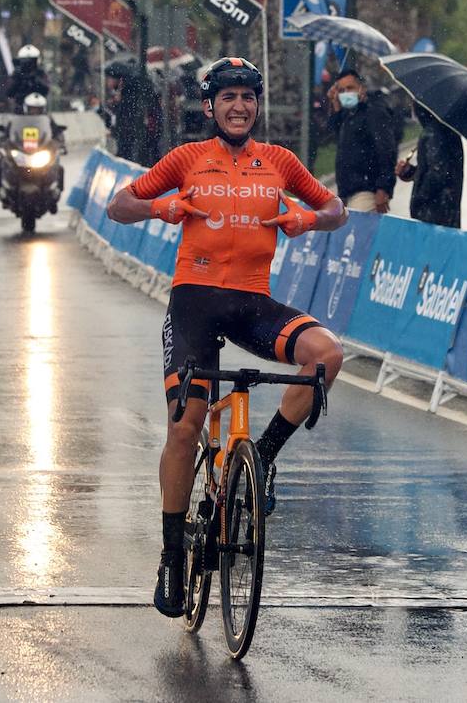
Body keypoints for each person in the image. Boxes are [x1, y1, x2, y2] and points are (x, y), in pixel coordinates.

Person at [105, 56, 347, 618]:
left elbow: (333, 208)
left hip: (252, 305)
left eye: (248, 97)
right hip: (193, 305)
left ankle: (260, 458)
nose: (239, 106)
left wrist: (308, 220)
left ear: (257, 106)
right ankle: (170, 556)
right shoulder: (189, 158)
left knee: (326, 355)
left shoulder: (279, 162)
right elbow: (119, 205)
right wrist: (160, 207)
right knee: (187, 424)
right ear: (210, 106)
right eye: (228, 97)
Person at [326, 68, 400, 213]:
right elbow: (340, 136)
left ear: (362, 88)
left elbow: (386, 150)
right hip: (349, 190)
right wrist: (336, 107)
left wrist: (383, 188)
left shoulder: (374, 111)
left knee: (359, 233)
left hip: (367, 190)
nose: (346, 93)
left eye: (350, 88)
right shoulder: (350, 113)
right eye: (341, 90)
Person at [396, 102, 464, 228]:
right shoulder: (445, 130)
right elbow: (434, 169)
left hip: (433, 215)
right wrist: (409, 171)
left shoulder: (434, 133)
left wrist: (419, 199)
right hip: (446, 214)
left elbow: (438, 173)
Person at [6, 44, 50, 113]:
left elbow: (46, 89)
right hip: (20, 110)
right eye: (26, 61)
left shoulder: (40, 73)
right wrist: (19, 79)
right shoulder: (17, 74)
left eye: (32, 61)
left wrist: (35, 79)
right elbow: (9, 92)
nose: (29, 64)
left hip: (39, 110)